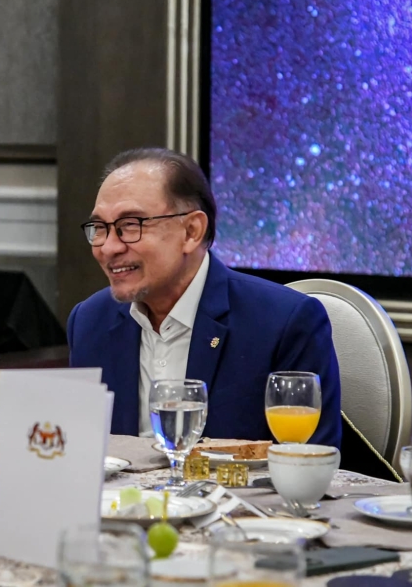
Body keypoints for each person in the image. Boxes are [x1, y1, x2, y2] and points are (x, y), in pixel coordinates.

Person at [67, 148, 341, 447]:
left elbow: (309, 462)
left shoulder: (284, 322)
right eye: (100, 229)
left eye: (130, 226)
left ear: (191, 231)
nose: (108, 247)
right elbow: (85, 453)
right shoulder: (89, 322)